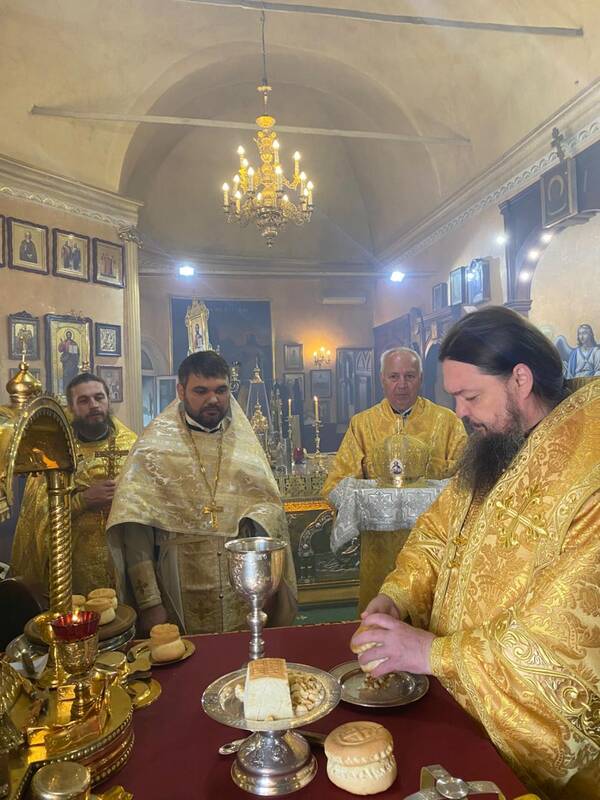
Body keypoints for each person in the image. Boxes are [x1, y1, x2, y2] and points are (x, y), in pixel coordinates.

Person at [352, 307, 600, 800]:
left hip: (531, 744)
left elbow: (561, 638)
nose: (460, 412)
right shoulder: (498, 442)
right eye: (455, 398)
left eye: (471, 396)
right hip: (455, 701)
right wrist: (397, 595)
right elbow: (439, 531)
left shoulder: (587, 471)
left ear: (520, 380)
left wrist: (430, 652)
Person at [107, 351, 297, 636]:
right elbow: (136, 530)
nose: (213, 399)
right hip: (177, 583)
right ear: (180, 391)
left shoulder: (245, 447)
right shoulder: (152, 449)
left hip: (242, 587)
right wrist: (149, 603)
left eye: (221, 390)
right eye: (201, 391)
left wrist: (268, 587)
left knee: (242, 655)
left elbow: (267, 520)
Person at [323, 347, 467, 609]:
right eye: (394, 376)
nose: (402, 384)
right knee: (380, 617)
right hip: (380, 551)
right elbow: (336, 484)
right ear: (382, 379)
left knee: (430, 618)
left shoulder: (448, 422)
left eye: (409, 376)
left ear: (421, 378)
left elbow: (467, 479)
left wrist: (429, 469)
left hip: (434, 547)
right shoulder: (362, 424)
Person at [12, 373, 136, 597]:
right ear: (71, 407)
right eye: (84, 400)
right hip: (72, 564)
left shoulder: (133, 446)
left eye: (99, 397)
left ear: (108, 400)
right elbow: (37, 515)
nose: (94, 405)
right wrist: (82, 500)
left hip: (126, 556)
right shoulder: (54, 452)